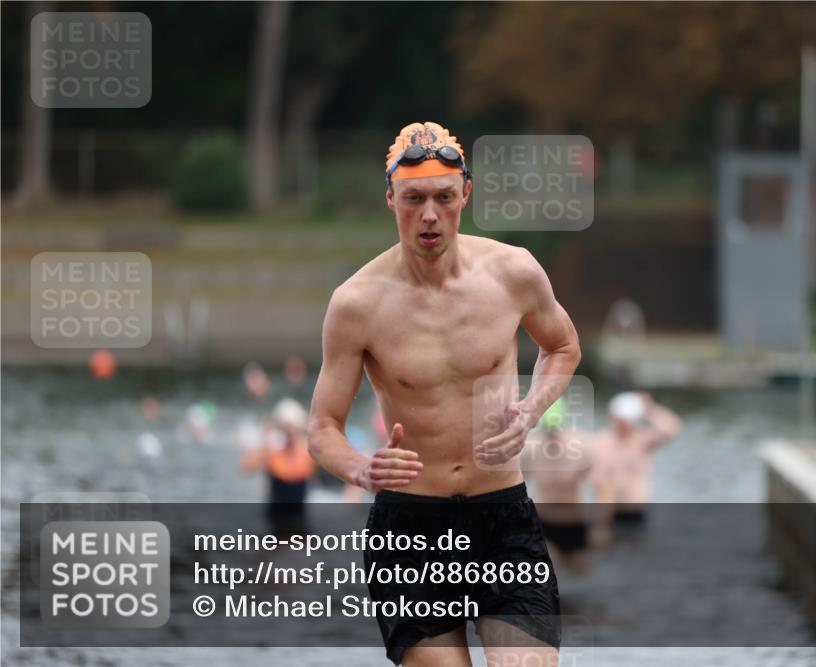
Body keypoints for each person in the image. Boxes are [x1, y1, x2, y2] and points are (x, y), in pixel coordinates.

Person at [308, 122, 581, 667]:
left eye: (443, 198)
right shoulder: (357, 303)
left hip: (501, 515)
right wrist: (363, 471)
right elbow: (322, 428)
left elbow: (564, 347)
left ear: (466, 196)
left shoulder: (514, 272)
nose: (429, 215)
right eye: (413, 200)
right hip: (412, 521)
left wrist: (530, 411)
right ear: (390, 200)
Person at [590, 392, 682, 546]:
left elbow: (672, 428)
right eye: (621, 419)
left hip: (636, 515)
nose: (624, 424)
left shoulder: (641, 441)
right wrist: (602, 523)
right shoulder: (600, 443)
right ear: (612, 417)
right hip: (609, 515)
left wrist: (649, 409)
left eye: (628, 420)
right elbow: (598, 483)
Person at [522, 398, 593, 574]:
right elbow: (517, 486)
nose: (551, 435)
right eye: (548, 430)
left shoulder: (579, 448)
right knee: (549, 573)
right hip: (544, 523)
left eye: (555, 429)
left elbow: (599, 485)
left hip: (573, 523)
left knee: (580, 572)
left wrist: (602, 525)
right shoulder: (531, 450)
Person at [241, 398, 317, 536]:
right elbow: (245, 468)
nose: (289, 432)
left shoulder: (307, 450)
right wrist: (265, 438)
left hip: (299, 516)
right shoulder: (271, 450)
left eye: (293, 428)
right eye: (285, 428)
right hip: (274, 515)